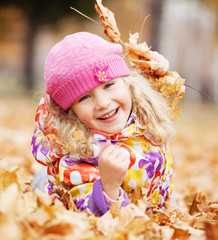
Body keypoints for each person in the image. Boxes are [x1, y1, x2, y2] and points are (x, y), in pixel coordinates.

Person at [31, 32, 175, 216]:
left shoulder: (141, 113)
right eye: (84, 97)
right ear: (70, 111)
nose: (103, 103)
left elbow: (164, 90)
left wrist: (160, 71)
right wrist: (109, 187)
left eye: (108, 85)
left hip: (155, 201)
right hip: (118, 213)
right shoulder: (78, 154)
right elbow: (85, 211)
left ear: (126, 83)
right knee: (44, 183)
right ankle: (41, 180)